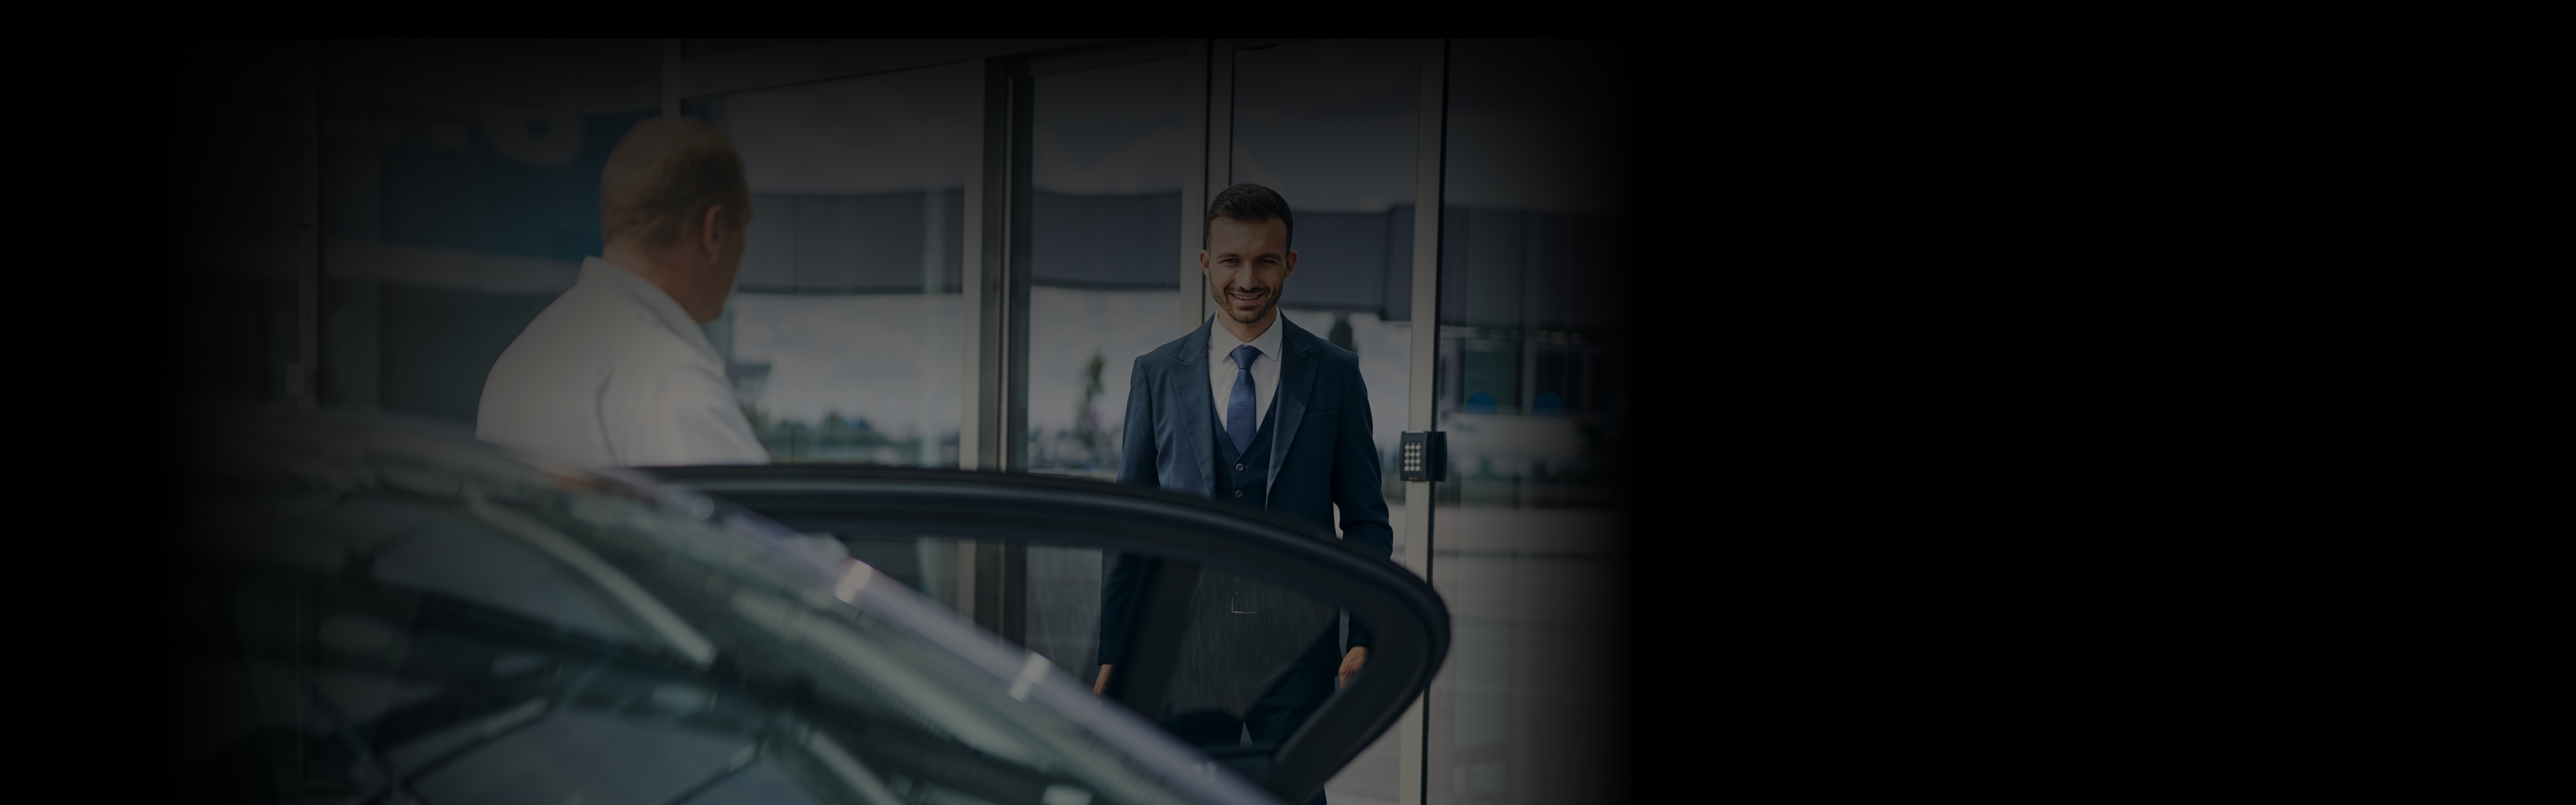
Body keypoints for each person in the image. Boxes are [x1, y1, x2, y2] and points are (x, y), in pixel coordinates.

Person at [1094, 184, 1394, 792]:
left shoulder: (1336, 374)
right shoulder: (1156, 373)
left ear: (1290, 263)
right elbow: (1131, 526)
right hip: (1183, 651)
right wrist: (1114, 652)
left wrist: (1363, 634)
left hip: (1299, 653)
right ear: (1207, 263)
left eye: (1264, 260)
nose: (1247, 278)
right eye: (1231, 260)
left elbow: (1365, 519)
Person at [476, 117, 769, 469]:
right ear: (714, 231)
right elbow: (749, 524)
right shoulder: (673, 383)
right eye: (745, 225)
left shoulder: (525, 355)